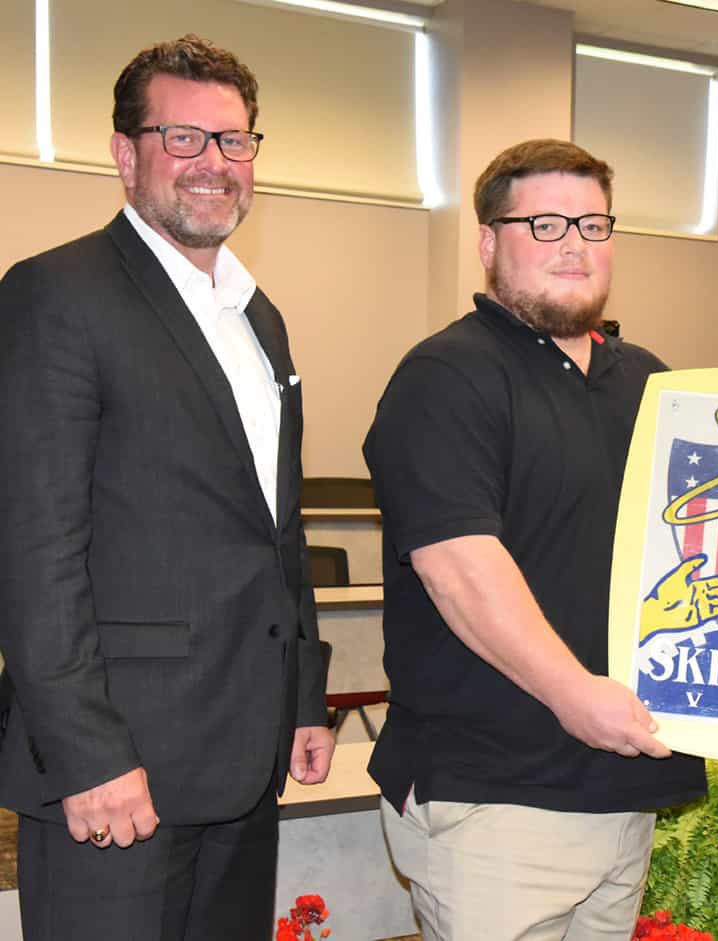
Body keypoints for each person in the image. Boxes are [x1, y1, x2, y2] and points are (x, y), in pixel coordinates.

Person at [0, 35, 334, 940]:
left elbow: (279, 528)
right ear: (125, 152)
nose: (214, 163)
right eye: (182, 137)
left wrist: (303, 696)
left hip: (246, 750)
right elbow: (35, 551)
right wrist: (89, 755)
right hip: (119, 769)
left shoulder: (259, 316)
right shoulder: (55, 295)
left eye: (233, 141)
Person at [363, 139, 709, 941]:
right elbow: (458, 565)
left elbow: (710, 533)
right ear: (488, 242)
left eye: (593, 223)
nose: (574, 244)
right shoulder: (447, 376)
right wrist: (571, 692)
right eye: (545, 224)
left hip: (620, 787)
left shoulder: (651, 382)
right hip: (497, 796)